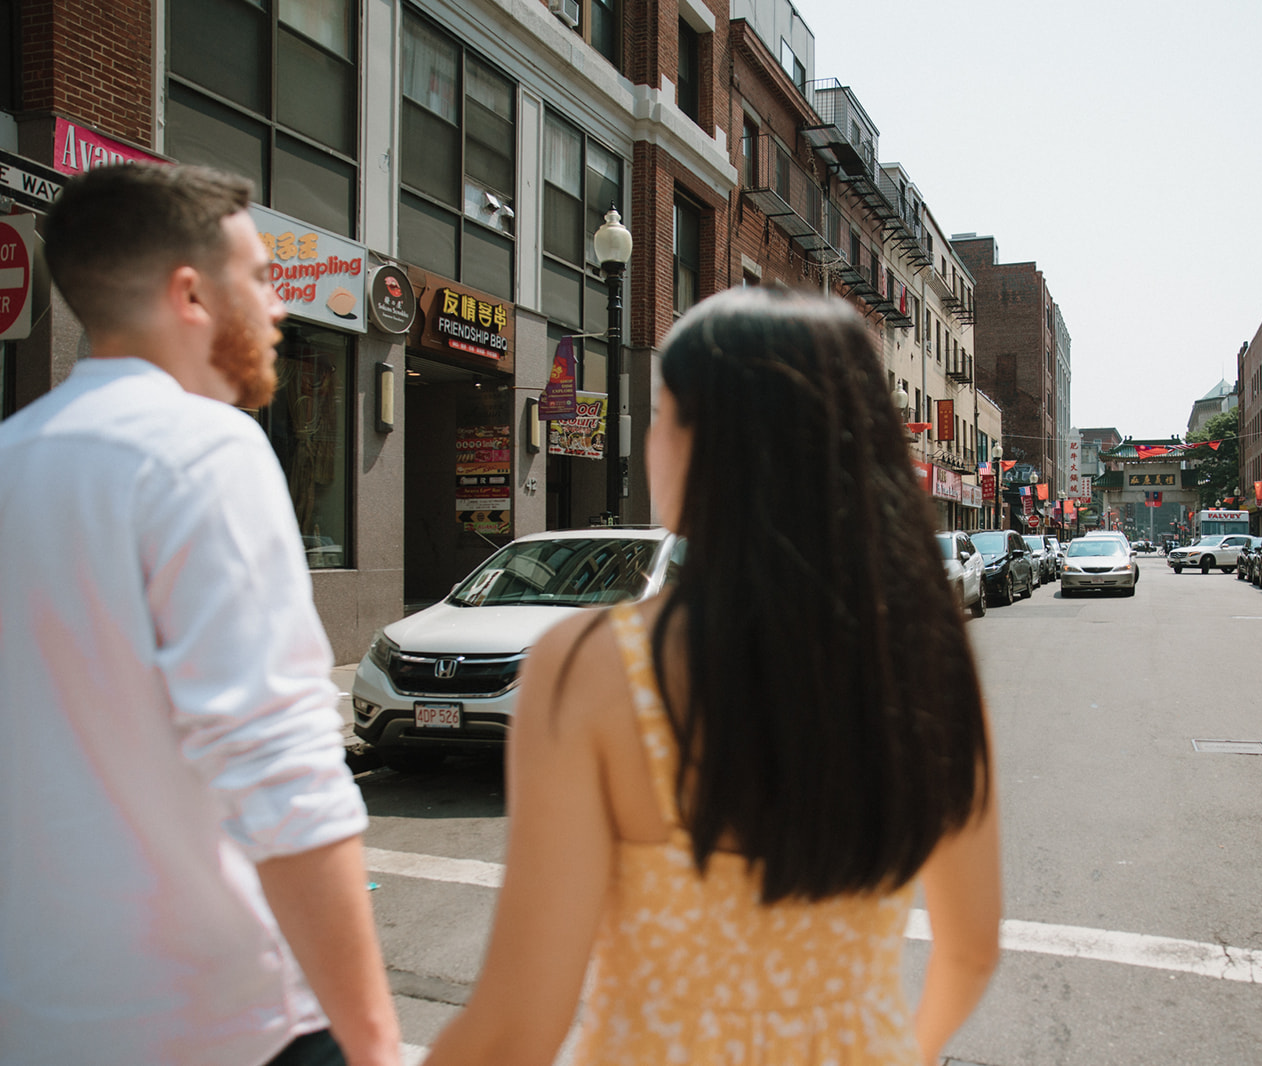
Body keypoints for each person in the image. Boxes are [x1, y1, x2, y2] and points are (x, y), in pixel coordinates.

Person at [426, 287, 1002, 1066]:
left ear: (713, 443)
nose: (652, 439)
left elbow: (516, 1027)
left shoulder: (594, 667)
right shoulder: (929, 660)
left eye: (663, 414)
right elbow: (970, 952)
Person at [0, 164, 400, 1066]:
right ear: (189, 294)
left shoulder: (12, 461)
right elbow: (284, 773)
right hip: (221, 1023)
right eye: (259, 278)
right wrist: (374, 1042)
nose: (279, 308)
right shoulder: (203, 449)